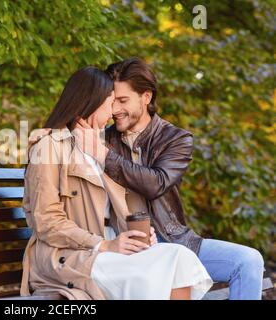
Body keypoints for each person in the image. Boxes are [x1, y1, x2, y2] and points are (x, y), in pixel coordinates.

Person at [75, 58, 265, 300]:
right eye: (112, 101)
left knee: (248, 261)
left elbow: (157, 183)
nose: (114, 110)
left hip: (173, 240)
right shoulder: (101, 137)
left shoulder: (175, 139)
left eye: (123, 101)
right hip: (126, 245)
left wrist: (104, 155)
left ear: (146, 97)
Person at [20, 66, 213, 300]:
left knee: (180, 258)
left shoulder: (101, 147)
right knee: (147, 276)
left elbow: (116, 207)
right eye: (111, 102)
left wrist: (140, 233)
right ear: (92, 102)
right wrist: (102, 245)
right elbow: (46, 221)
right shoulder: (49, 146)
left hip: (107, 245)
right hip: (68, 254)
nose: (113, 112)